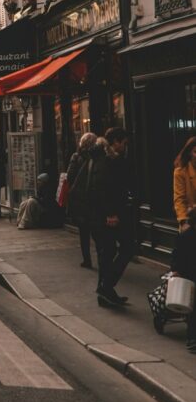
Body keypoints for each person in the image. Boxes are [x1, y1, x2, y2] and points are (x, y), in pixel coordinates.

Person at [89, 127, 134, 308]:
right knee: (127, 247)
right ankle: (106, 287)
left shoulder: (102, 157)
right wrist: (111, 213)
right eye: (123, 143)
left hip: (103, 214)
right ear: (115, 142)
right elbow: (102, 188)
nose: (125, 147)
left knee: (107, 253)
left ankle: (105, 292)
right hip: (107, 216)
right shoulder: (105, 160)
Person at [66, 132, 99, 268]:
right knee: (97, 232)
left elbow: (69, 176)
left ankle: (87, 260)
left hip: (80, 200)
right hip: (93, 199)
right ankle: (102, 258)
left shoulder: (76, 156)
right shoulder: (97, 157)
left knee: (84, 233)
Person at [169, 206, 196, 353]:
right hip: (190, 275)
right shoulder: (185, 237)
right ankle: (192, 338)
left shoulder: (184, 236)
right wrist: (176, 271)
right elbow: (177, 256)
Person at [173, 137, 196, 232]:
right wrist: (183, 222)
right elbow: (179, 199)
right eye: (195, 152)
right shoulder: (181, 172)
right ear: (189, 153)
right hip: (190, 221)